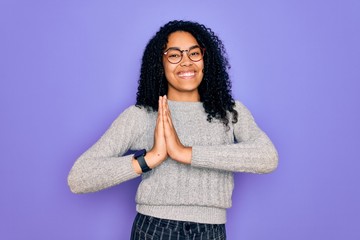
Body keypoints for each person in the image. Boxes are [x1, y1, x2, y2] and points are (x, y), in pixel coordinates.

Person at [68, 20, 278, 240]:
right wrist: (150, 159)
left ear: (206, 59)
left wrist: (185, 153)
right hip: (154, 228)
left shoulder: (230, 112)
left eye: (194, 53)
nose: (186, 62)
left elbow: (267, 157)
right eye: (174, 55)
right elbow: (79, 178)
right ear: (160, 63)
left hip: (211, 230)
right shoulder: (143, 115)